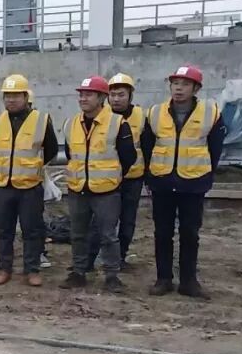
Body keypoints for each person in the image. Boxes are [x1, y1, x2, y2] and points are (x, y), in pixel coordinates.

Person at [142, 65, 226, 299]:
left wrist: (206, 176)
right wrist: (151, 176)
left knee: (190, 233)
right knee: (162, 232)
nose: (179, 89)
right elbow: (148, 147)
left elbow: (215, 148)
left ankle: (189, 281)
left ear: (196, 88)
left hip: (193, 183)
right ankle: (164, 279)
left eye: (185, 84)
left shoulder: (210, 113)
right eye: (175, 84)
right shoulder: (155, 113)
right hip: (162, 181)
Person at [59, 76, 137, 293]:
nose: (83, 99)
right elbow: (71, 154)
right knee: (78, 233)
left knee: (108, 235)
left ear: (102, 98)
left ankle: (111, 275)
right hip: (78, 188)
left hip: (106, 190)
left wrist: (110, 176)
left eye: (89, 95)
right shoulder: (71, 124)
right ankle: (79, 272)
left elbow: (128, 157)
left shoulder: (117, 124)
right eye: (81, 95)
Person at [0, 74, 58, 287]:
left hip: (30, 186)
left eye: (16, 95)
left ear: (26, 97)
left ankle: (32, 270)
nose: (11, 100)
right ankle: (4, 268)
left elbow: (51, 149)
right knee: (3, 230)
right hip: (3, 186)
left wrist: (31, 167)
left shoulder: (41, 120)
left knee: (32, 230)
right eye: (7, 95)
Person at [86, 73, 145, 271]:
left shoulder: (141, 117)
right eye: (113, 95)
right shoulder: (100, 116)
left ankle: (120, 259)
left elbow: (146, 146)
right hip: (104, 180)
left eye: (121, 95)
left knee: (127, 221)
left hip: (132, 178)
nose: (116, 99)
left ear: (130, 96)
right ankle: (89, 260)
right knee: (99, 223)